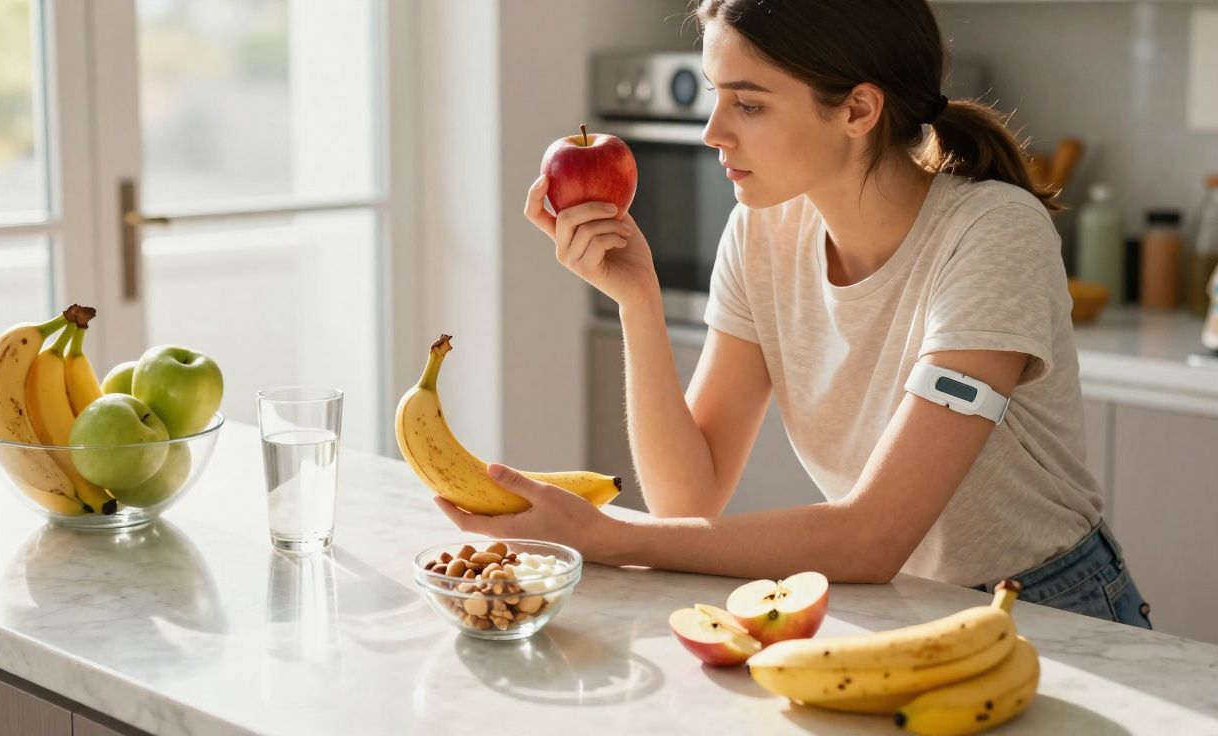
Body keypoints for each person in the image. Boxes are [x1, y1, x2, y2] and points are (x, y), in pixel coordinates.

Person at [434, 0, 1152, 629]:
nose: (713, 131)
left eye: (748, 104)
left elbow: (873, 537)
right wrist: (637, 302)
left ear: (858, 110)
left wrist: (611, 536)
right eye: (716, 98)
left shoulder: (994, 234)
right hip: (896, 608)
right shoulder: (765, 231)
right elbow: (690, 495)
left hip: (1052, 610)